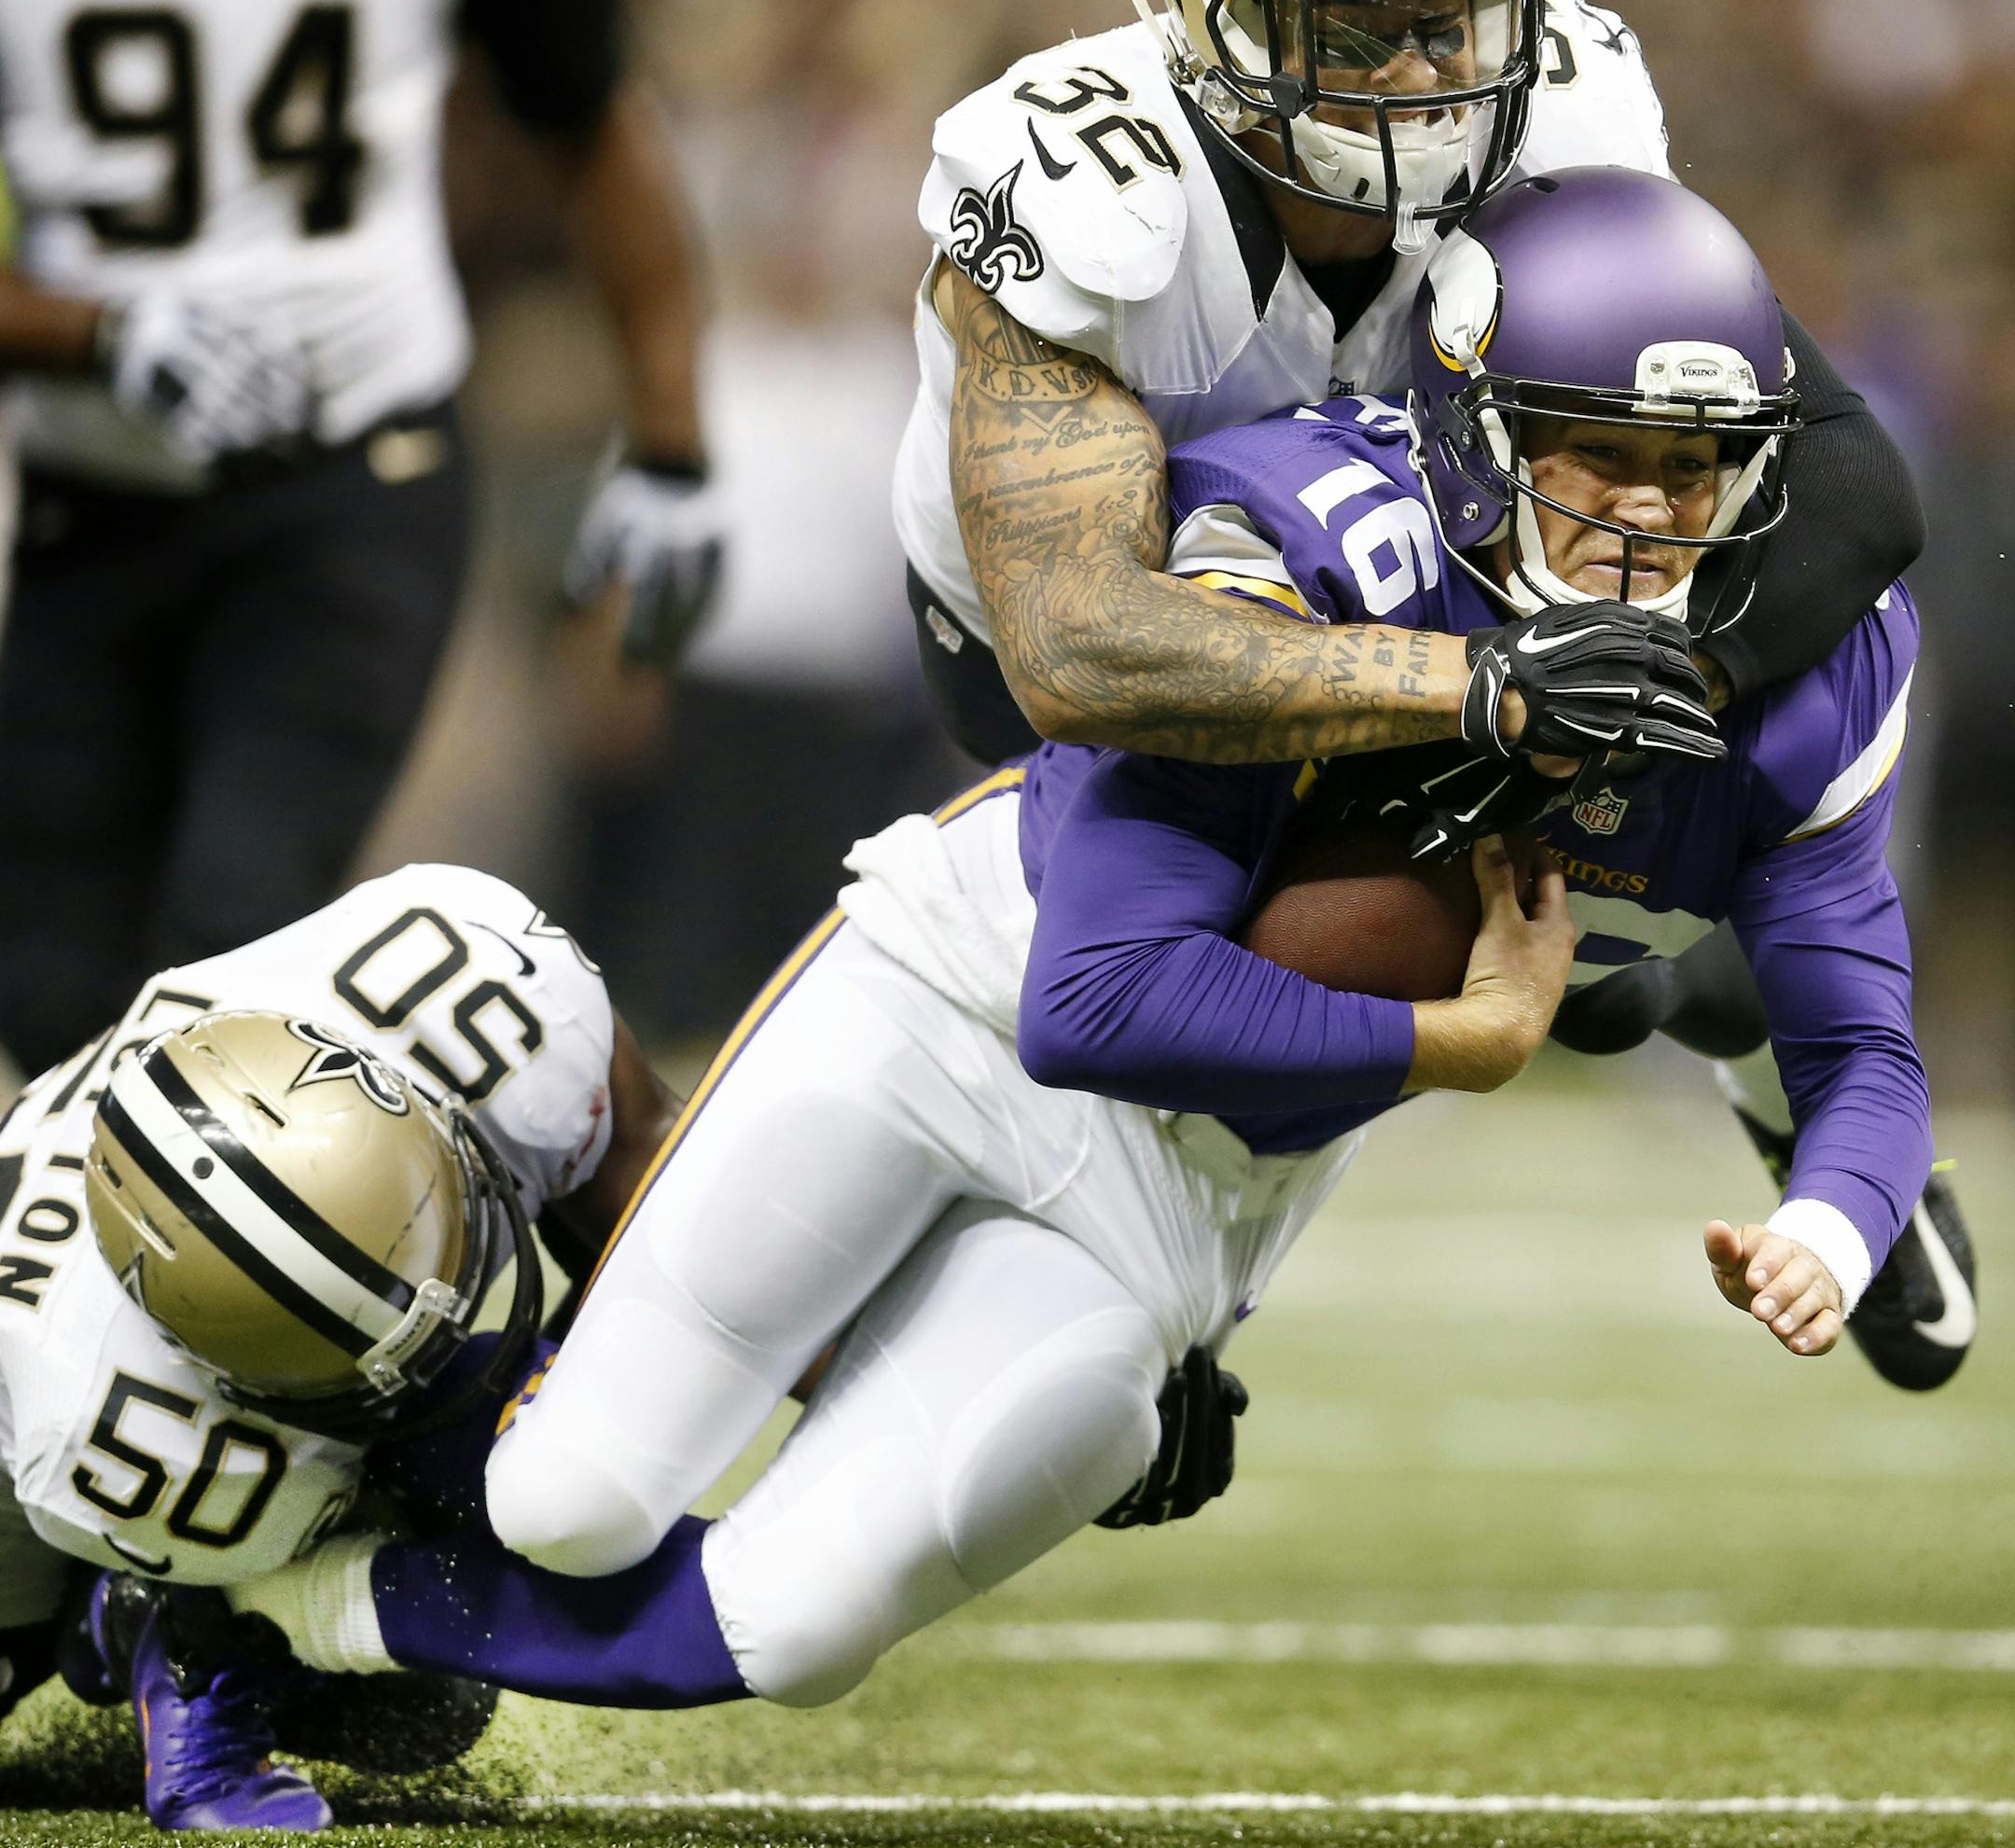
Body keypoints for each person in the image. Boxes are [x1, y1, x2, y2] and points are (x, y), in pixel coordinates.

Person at [220, 171, 1930, 1724]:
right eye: (1593, 455)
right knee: (568, 1495)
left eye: (1690, 466)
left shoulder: (1807, 667)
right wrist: (1456, 1043)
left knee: (792, 1633)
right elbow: (1092, 998)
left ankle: (268, 1616)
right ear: (1474, 432)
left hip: (1191, 1189)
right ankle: (362, 1355)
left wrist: (1830, 1233)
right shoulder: (1301, 541)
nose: (1647, 516)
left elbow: (1865, 1044)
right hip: (962, 995)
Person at [894, 0, 1966, 1389]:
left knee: (1517, 887)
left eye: (1455, 12)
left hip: (1460, 588)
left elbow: (1855, 485)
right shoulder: (1074, 178)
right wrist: (1489, 700)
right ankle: (1639, 996)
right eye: (1360, 24)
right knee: (1196, 975)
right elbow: (1078, 647)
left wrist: (1641, 710)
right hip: (1095, 647)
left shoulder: (1572, 110)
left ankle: (1730, 1020)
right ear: (1207, 12)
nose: (1426, 72)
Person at [0, 0, 718, 1079]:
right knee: (47, 985)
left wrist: (671, 443)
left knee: (229, 930)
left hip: (355, 468)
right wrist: (97, 333)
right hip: (88, 499)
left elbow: (595, 117)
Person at [0, 862, 674, 1827]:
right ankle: (120, 1620)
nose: (435, 1325)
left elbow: (651, 1170)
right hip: (35, 1466)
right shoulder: (109, 1419)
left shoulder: (466, 967)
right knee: (417, 1706)